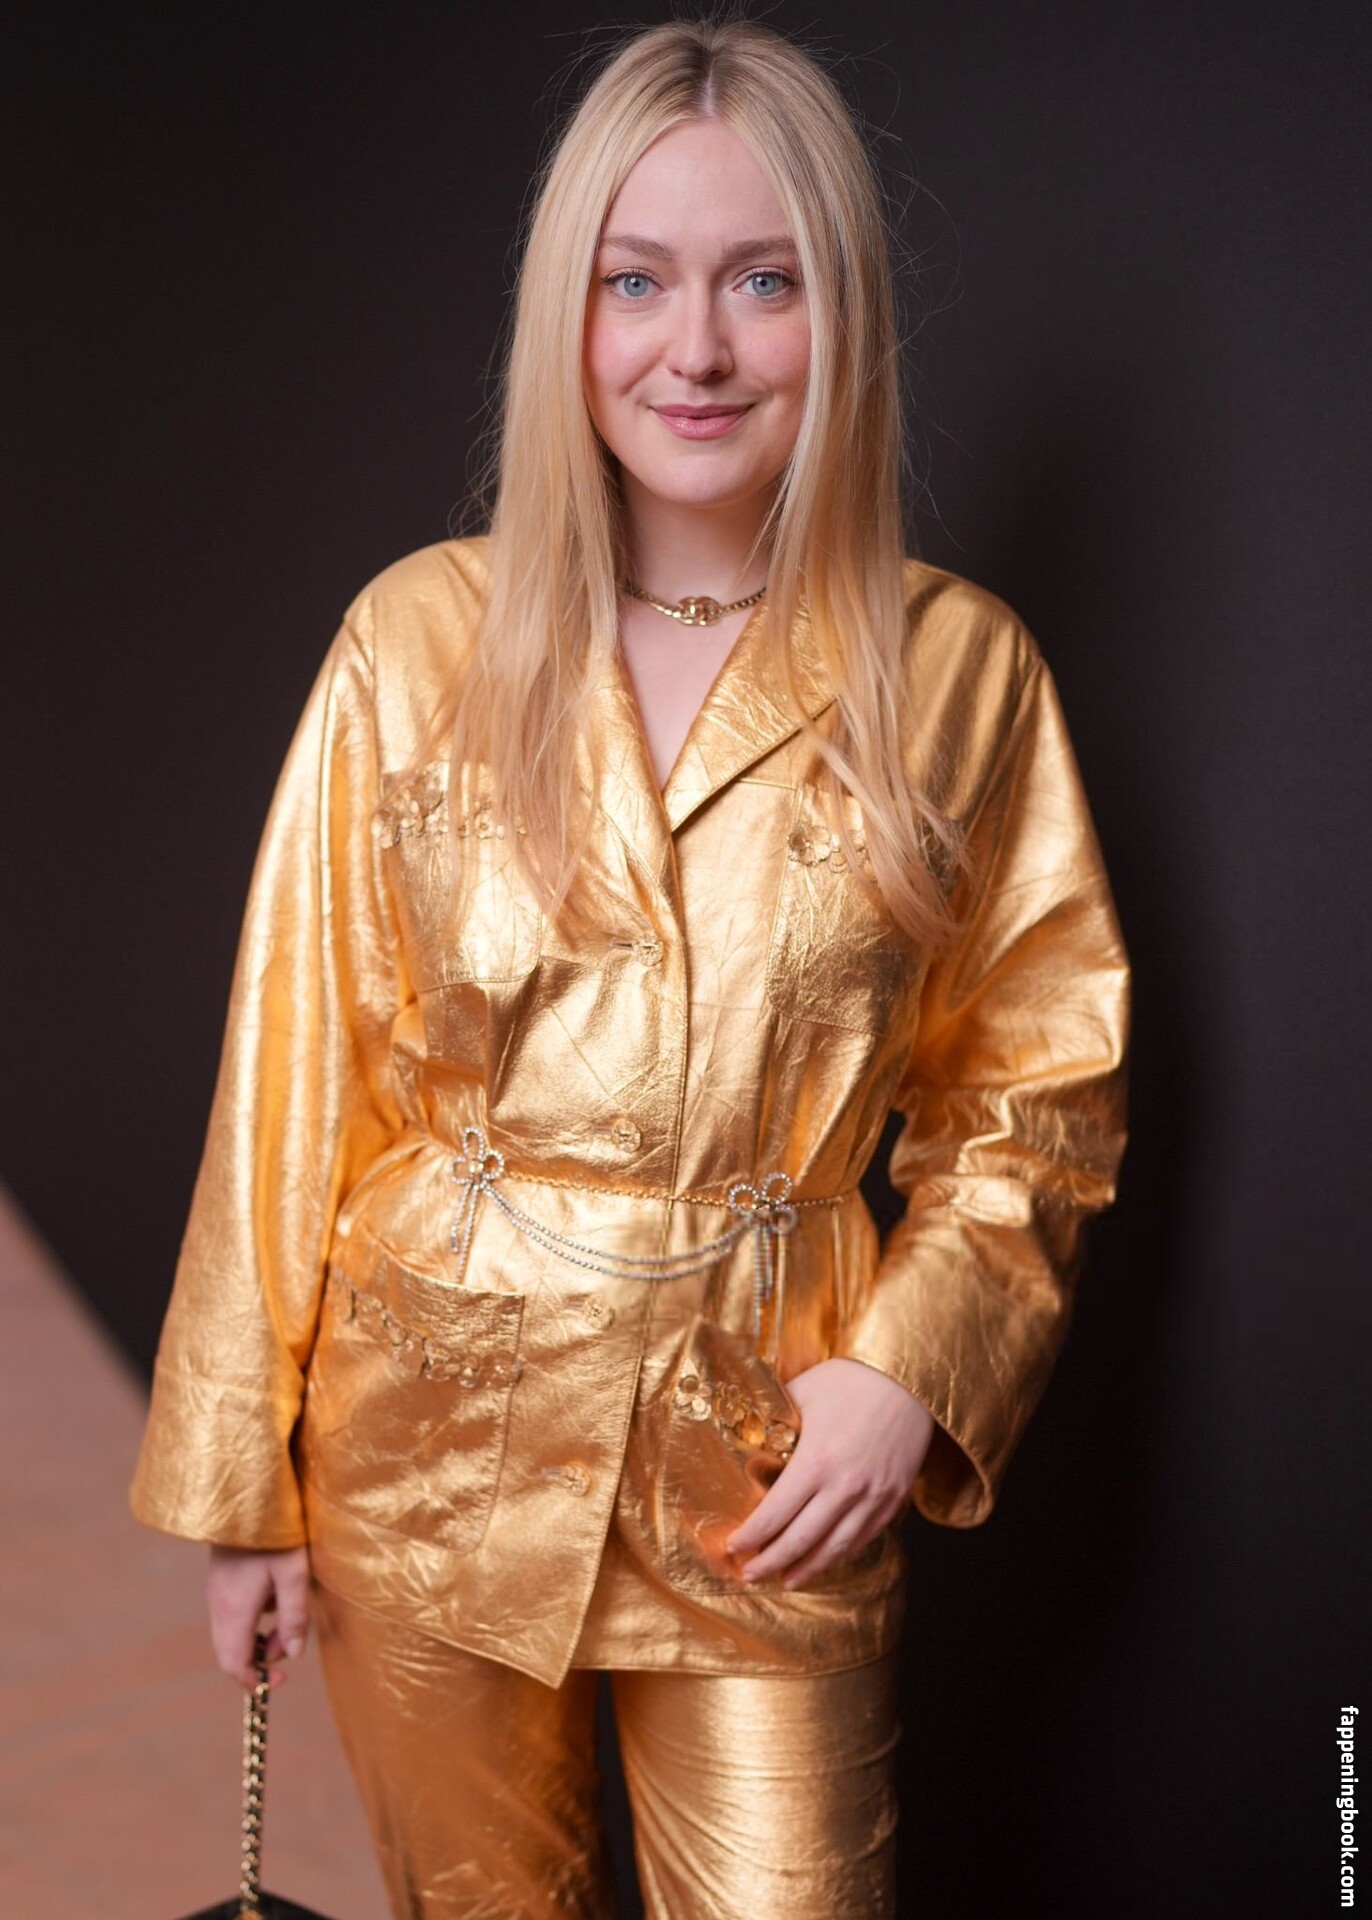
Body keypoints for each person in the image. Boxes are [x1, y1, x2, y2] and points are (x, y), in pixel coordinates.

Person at [129, 17, 1130, 1919]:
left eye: (765, 281)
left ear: (841, 314)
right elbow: (291, 1081)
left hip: (769, 1454)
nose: (699, 349)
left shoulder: (959, 671)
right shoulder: (415, 640)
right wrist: (238, 1489)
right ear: (566, 318)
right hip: (425, 1458)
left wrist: (911, 1375)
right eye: (637, 281)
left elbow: (1039, 1089)